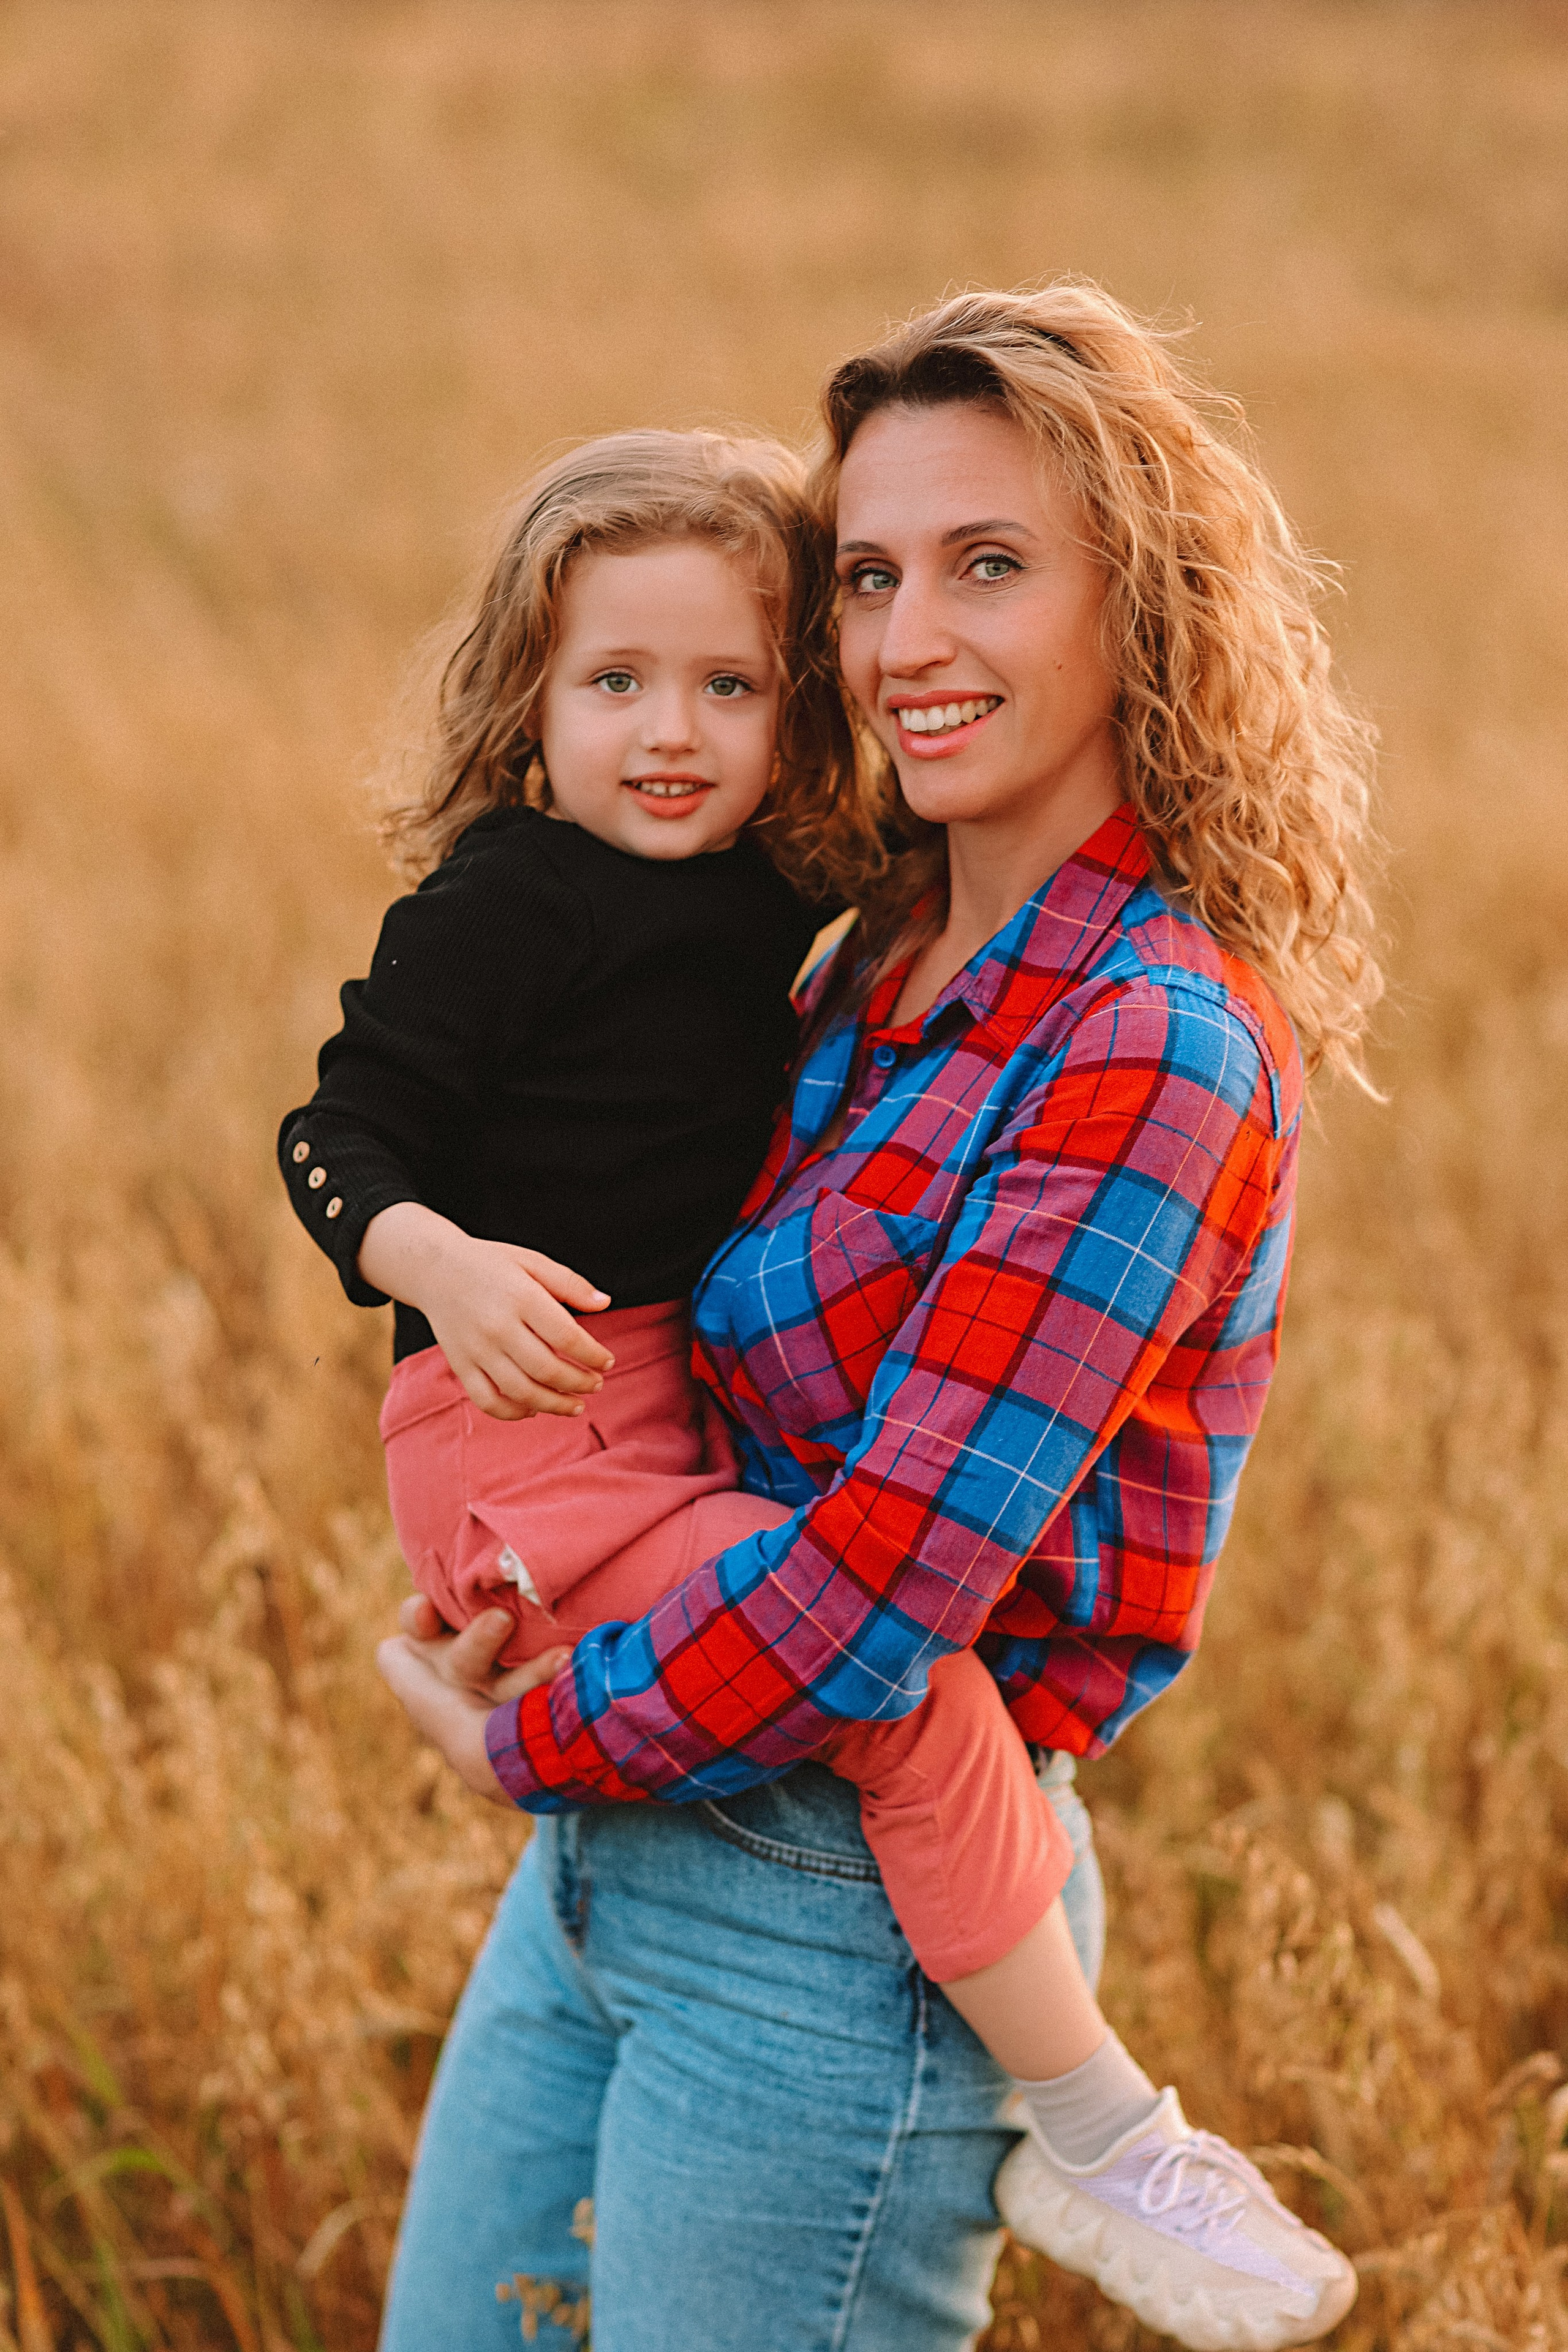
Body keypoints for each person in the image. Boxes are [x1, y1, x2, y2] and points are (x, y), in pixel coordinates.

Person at [361, 284, 1381, 2352]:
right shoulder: (861, 958)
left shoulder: (1146, 1045)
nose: (909, 642)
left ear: (1145, 608)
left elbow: (888, 1584)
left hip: (841, 1935)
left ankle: (1109, 2138)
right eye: (871, 576)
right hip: (613, 1861)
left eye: (990, 567)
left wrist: (526, 1736)